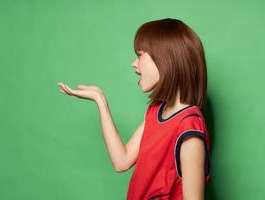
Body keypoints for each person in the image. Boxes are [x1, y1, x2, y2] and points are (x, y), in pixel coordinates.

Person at [57, 18, 211, 200]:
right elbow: (121, 161)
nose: (134, 64)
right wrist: (101, 101)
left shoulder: (189, 127)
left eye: (140, 55)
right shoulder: (155, 112)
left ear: (164, 58)